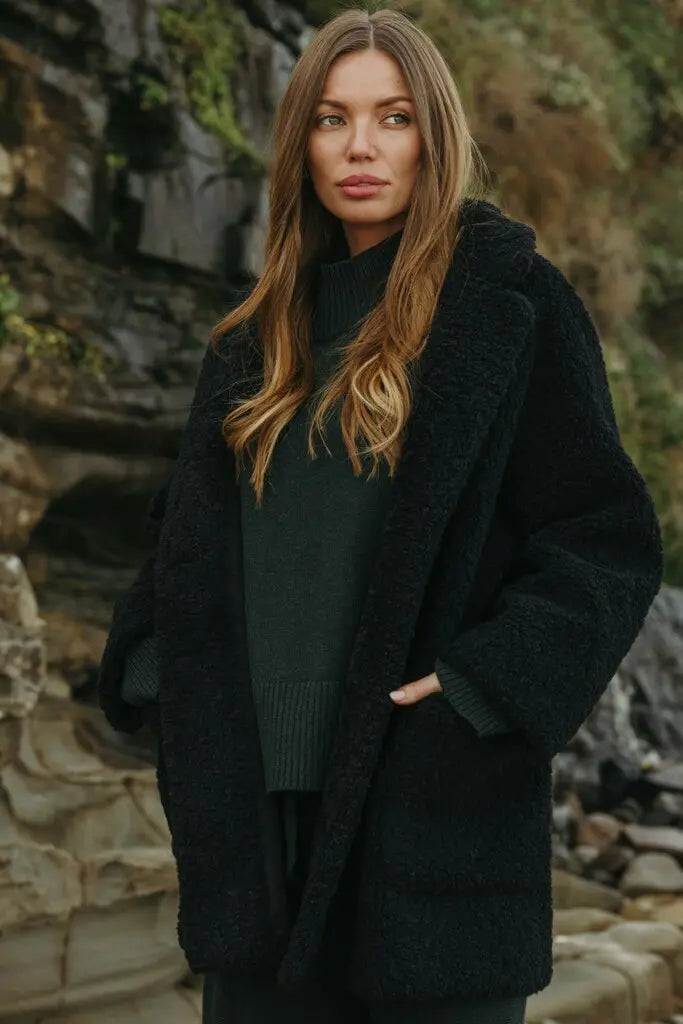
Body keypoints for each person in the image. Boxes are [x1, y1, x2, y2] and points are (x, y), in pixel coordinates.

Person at [97, 8, 664, 1023]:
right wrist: (163, 678)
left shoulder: (511, 307)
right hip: (252, 847)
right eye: (331, 119)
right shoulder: (250, 344)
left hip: (431, 822)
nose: (360, 146)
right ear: (300, 145)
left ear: (432, 135)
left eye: (392, 117)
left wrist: (480, 690)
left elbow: (603, 540)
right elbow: (179, 549)